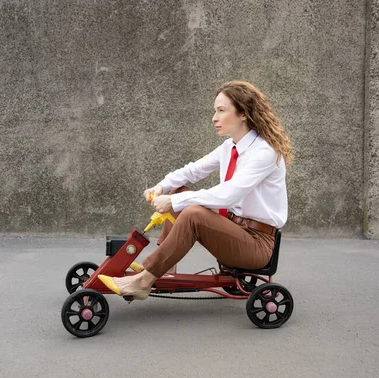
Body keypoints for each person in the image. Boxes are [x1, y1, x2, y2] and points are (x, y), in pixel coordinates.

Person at [99, 81, 293, 300]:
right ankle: (165, 269)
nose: (214, 118)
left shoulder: (264, 152)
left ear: (243, 114)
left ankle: (144, 280)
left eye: (221, 111)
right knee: (178, 192)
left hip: (256, 244)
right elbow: (193, 170)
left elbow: (230, 194)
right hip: (234, 229)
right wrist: (162, 187)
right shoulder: (230, 147)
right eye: (215, 111)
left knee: (190, 211)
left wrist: (176, 202)